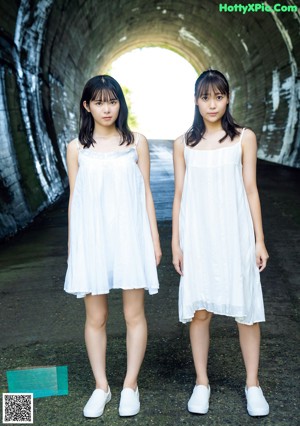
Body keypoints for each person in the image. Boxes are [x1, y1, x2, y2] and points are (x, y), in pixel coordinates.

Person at [172, 69, 269, 417]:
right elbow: (179, 195)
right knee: (200, 311)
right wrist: (176, 244)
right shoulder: (183, 143)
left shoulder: (244, 137)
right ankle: (202, 382)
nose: (212, 104)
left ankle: (252, 384)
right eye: (205, 97)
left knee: (246, 312)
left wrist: (259, 241)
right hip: (199, 236)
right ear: (196, 101)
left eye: (218, 96)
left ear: (228, 99)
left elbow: (250, 190)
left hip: (236, 234)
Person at [64, 75, 161, 418]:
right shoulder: (76, 148)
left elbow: (146, 193)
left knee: (134, 314)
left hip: (130, 237)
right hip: (93, 239)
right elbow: (75, 199)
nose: (107, 109)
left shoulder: (137, 142)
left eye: (113, 101)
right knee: (96, 317)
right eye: (99, 102)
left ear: (121, 103)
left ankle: (130, 385)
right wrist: (75, 246)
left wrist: (154, 239)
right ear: (87, 106)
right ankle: (101, 387)